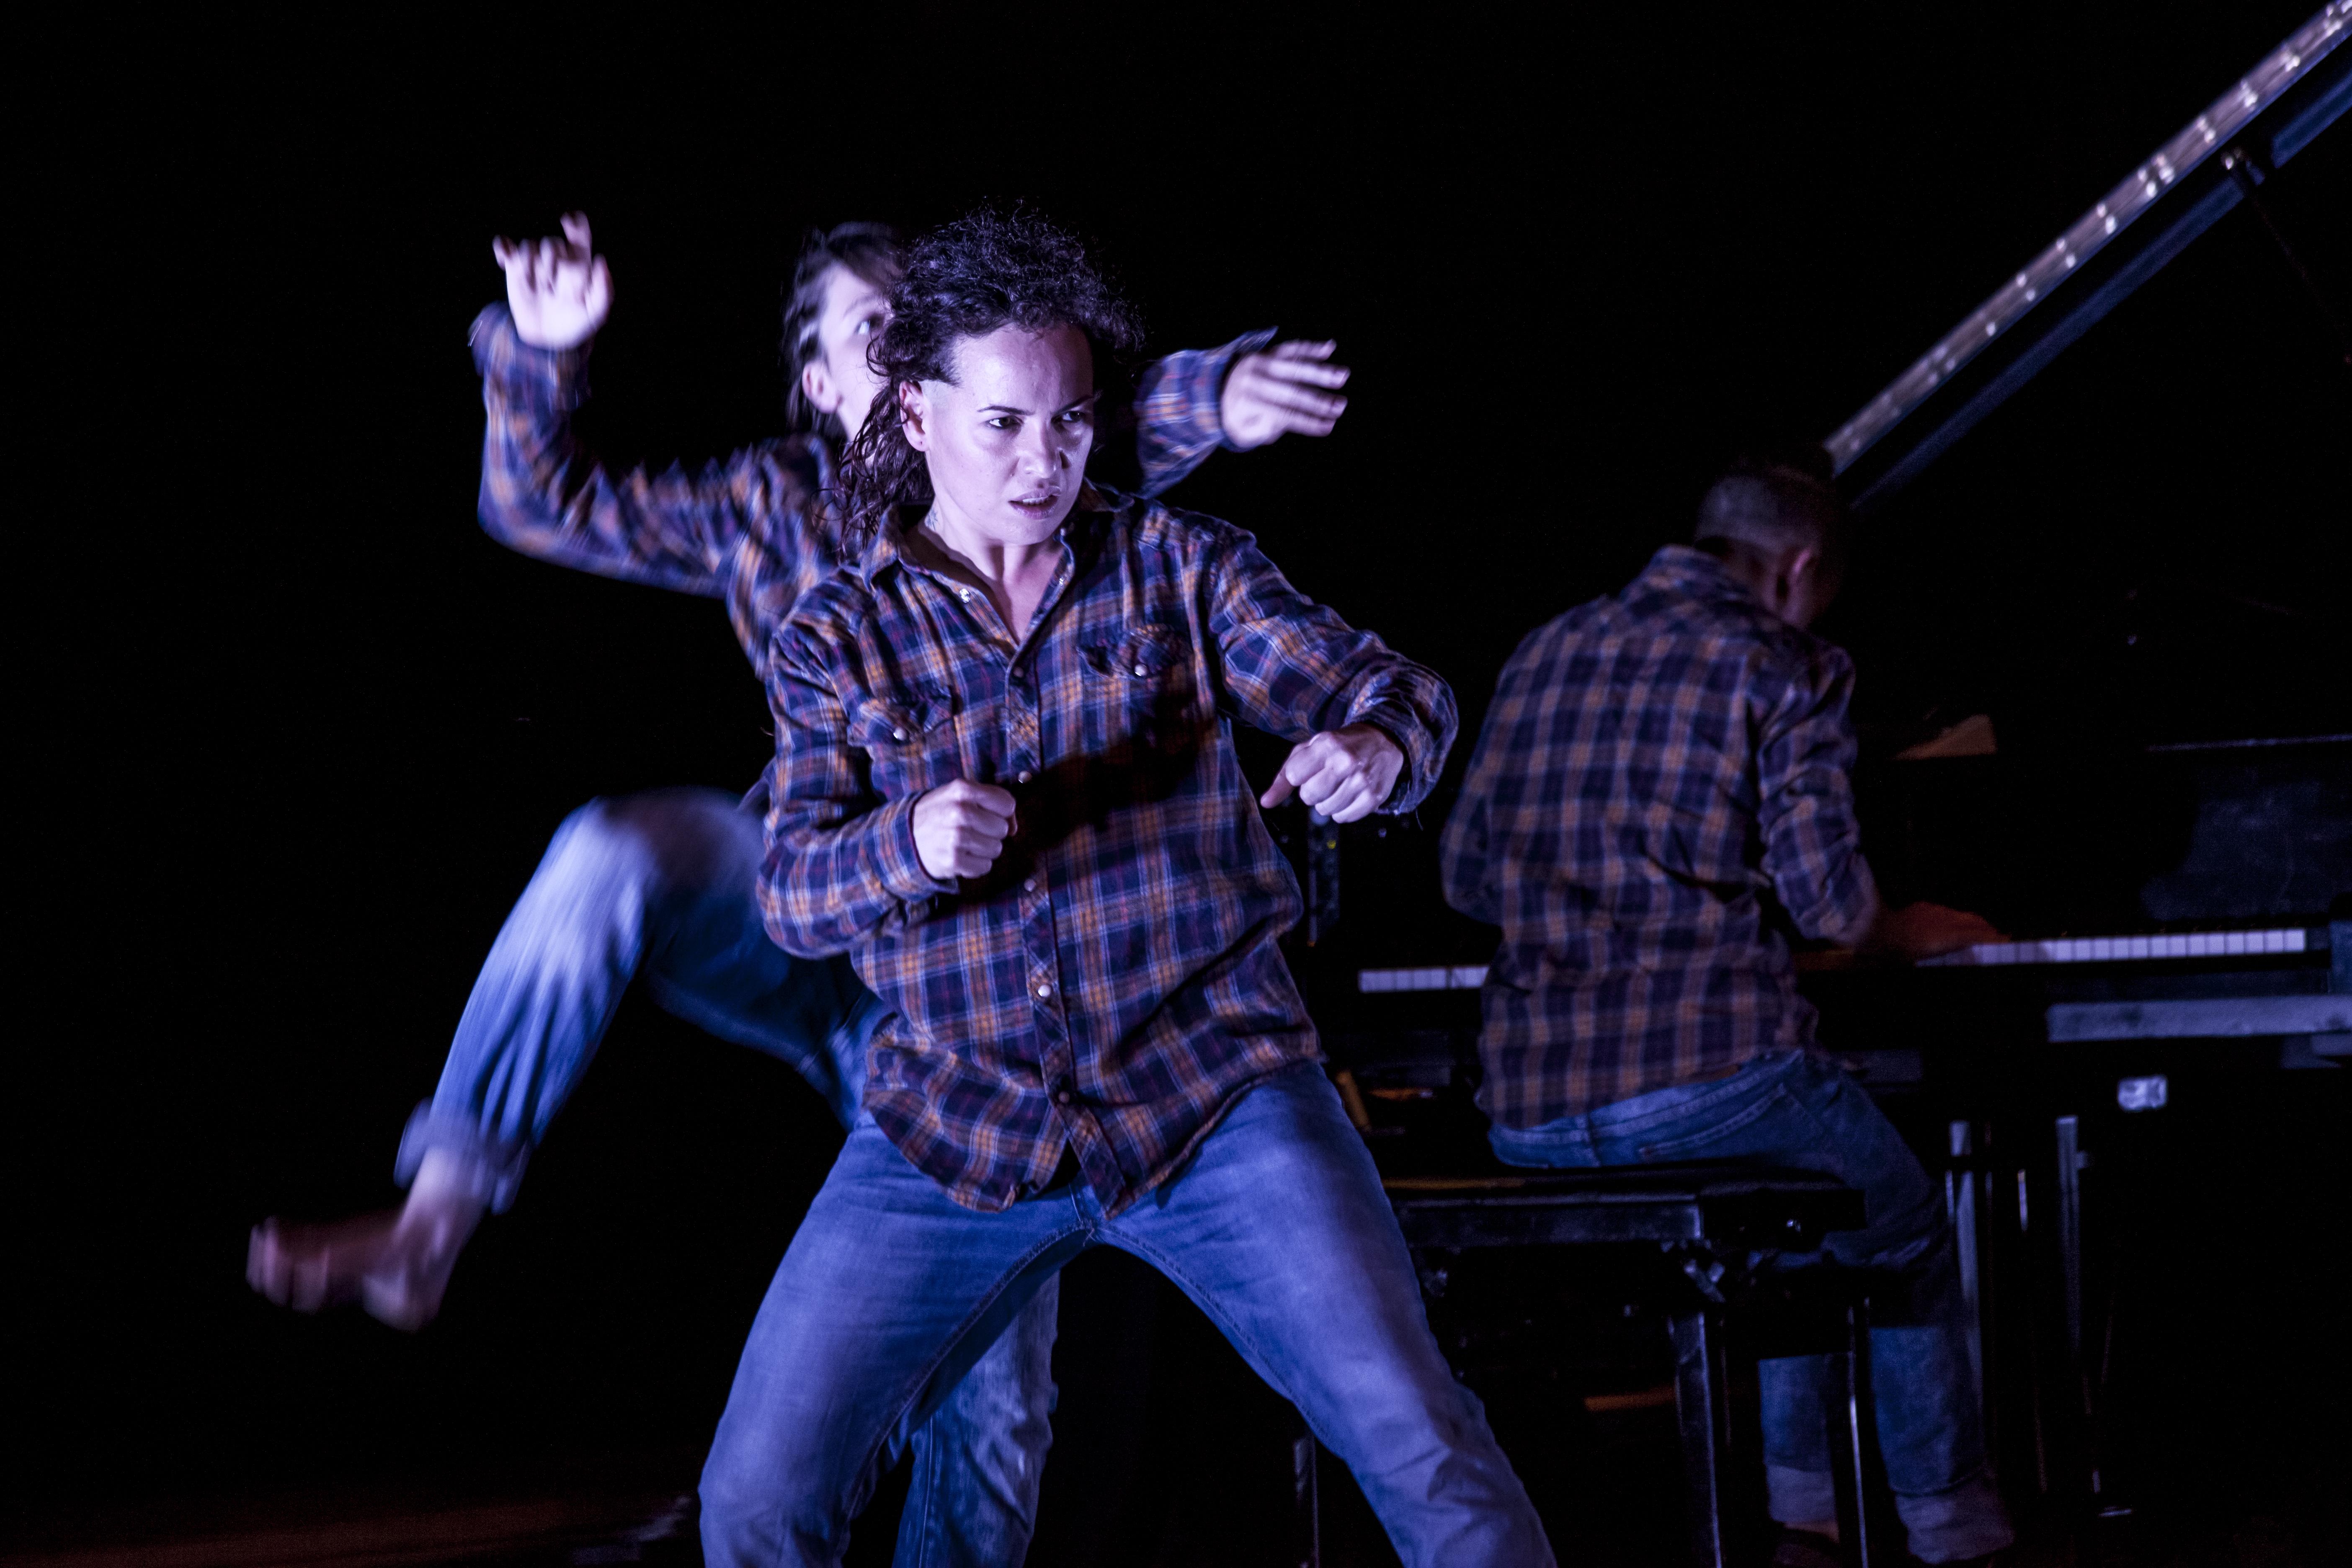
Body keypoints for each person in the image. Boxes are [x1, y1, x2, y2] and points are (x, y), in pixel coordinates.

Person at [245, 214, 1354, 1568]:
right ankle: (438, 1217)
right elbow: (542, 505)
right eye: (876, 337)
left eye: (926, 333)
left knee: (997, 1396)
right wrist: (541, 356)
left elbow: (1110, 418)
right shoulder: (768, 501)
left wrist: (1222, 395)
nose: (915, 358)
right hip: (807, 907)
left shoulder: (1020, 468)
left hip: (963, 995)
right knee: (614, 851)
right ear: (824, 386)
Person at [704, 206, 1551, 1568]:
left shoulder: (1182, 568)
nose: (1045, 462)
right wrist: (904, 846)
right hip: (956, 1120)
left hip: (1212, 1092)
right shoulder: (840, 637)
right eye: (1004, 425)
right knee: (755, 1500)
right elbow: (792, 895)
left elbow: (1394, 689)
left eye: (1073, 423)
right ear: (916, 414)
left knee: (1422, 1441)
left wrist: (1379, 747)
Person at [1439, 449, 2017, 1566]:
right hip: (1709, 1082)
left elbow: (1464, 878)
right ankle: (1954, 1528)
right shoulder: (1785, 662)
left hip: (1529, 1112)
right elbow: (1830, 902)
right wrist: (1904, 926)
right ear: (1799, 569)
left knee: (1803, 1221)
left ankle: (1804, 1517)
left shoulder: (1546, 647)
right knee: (1898, 1222)